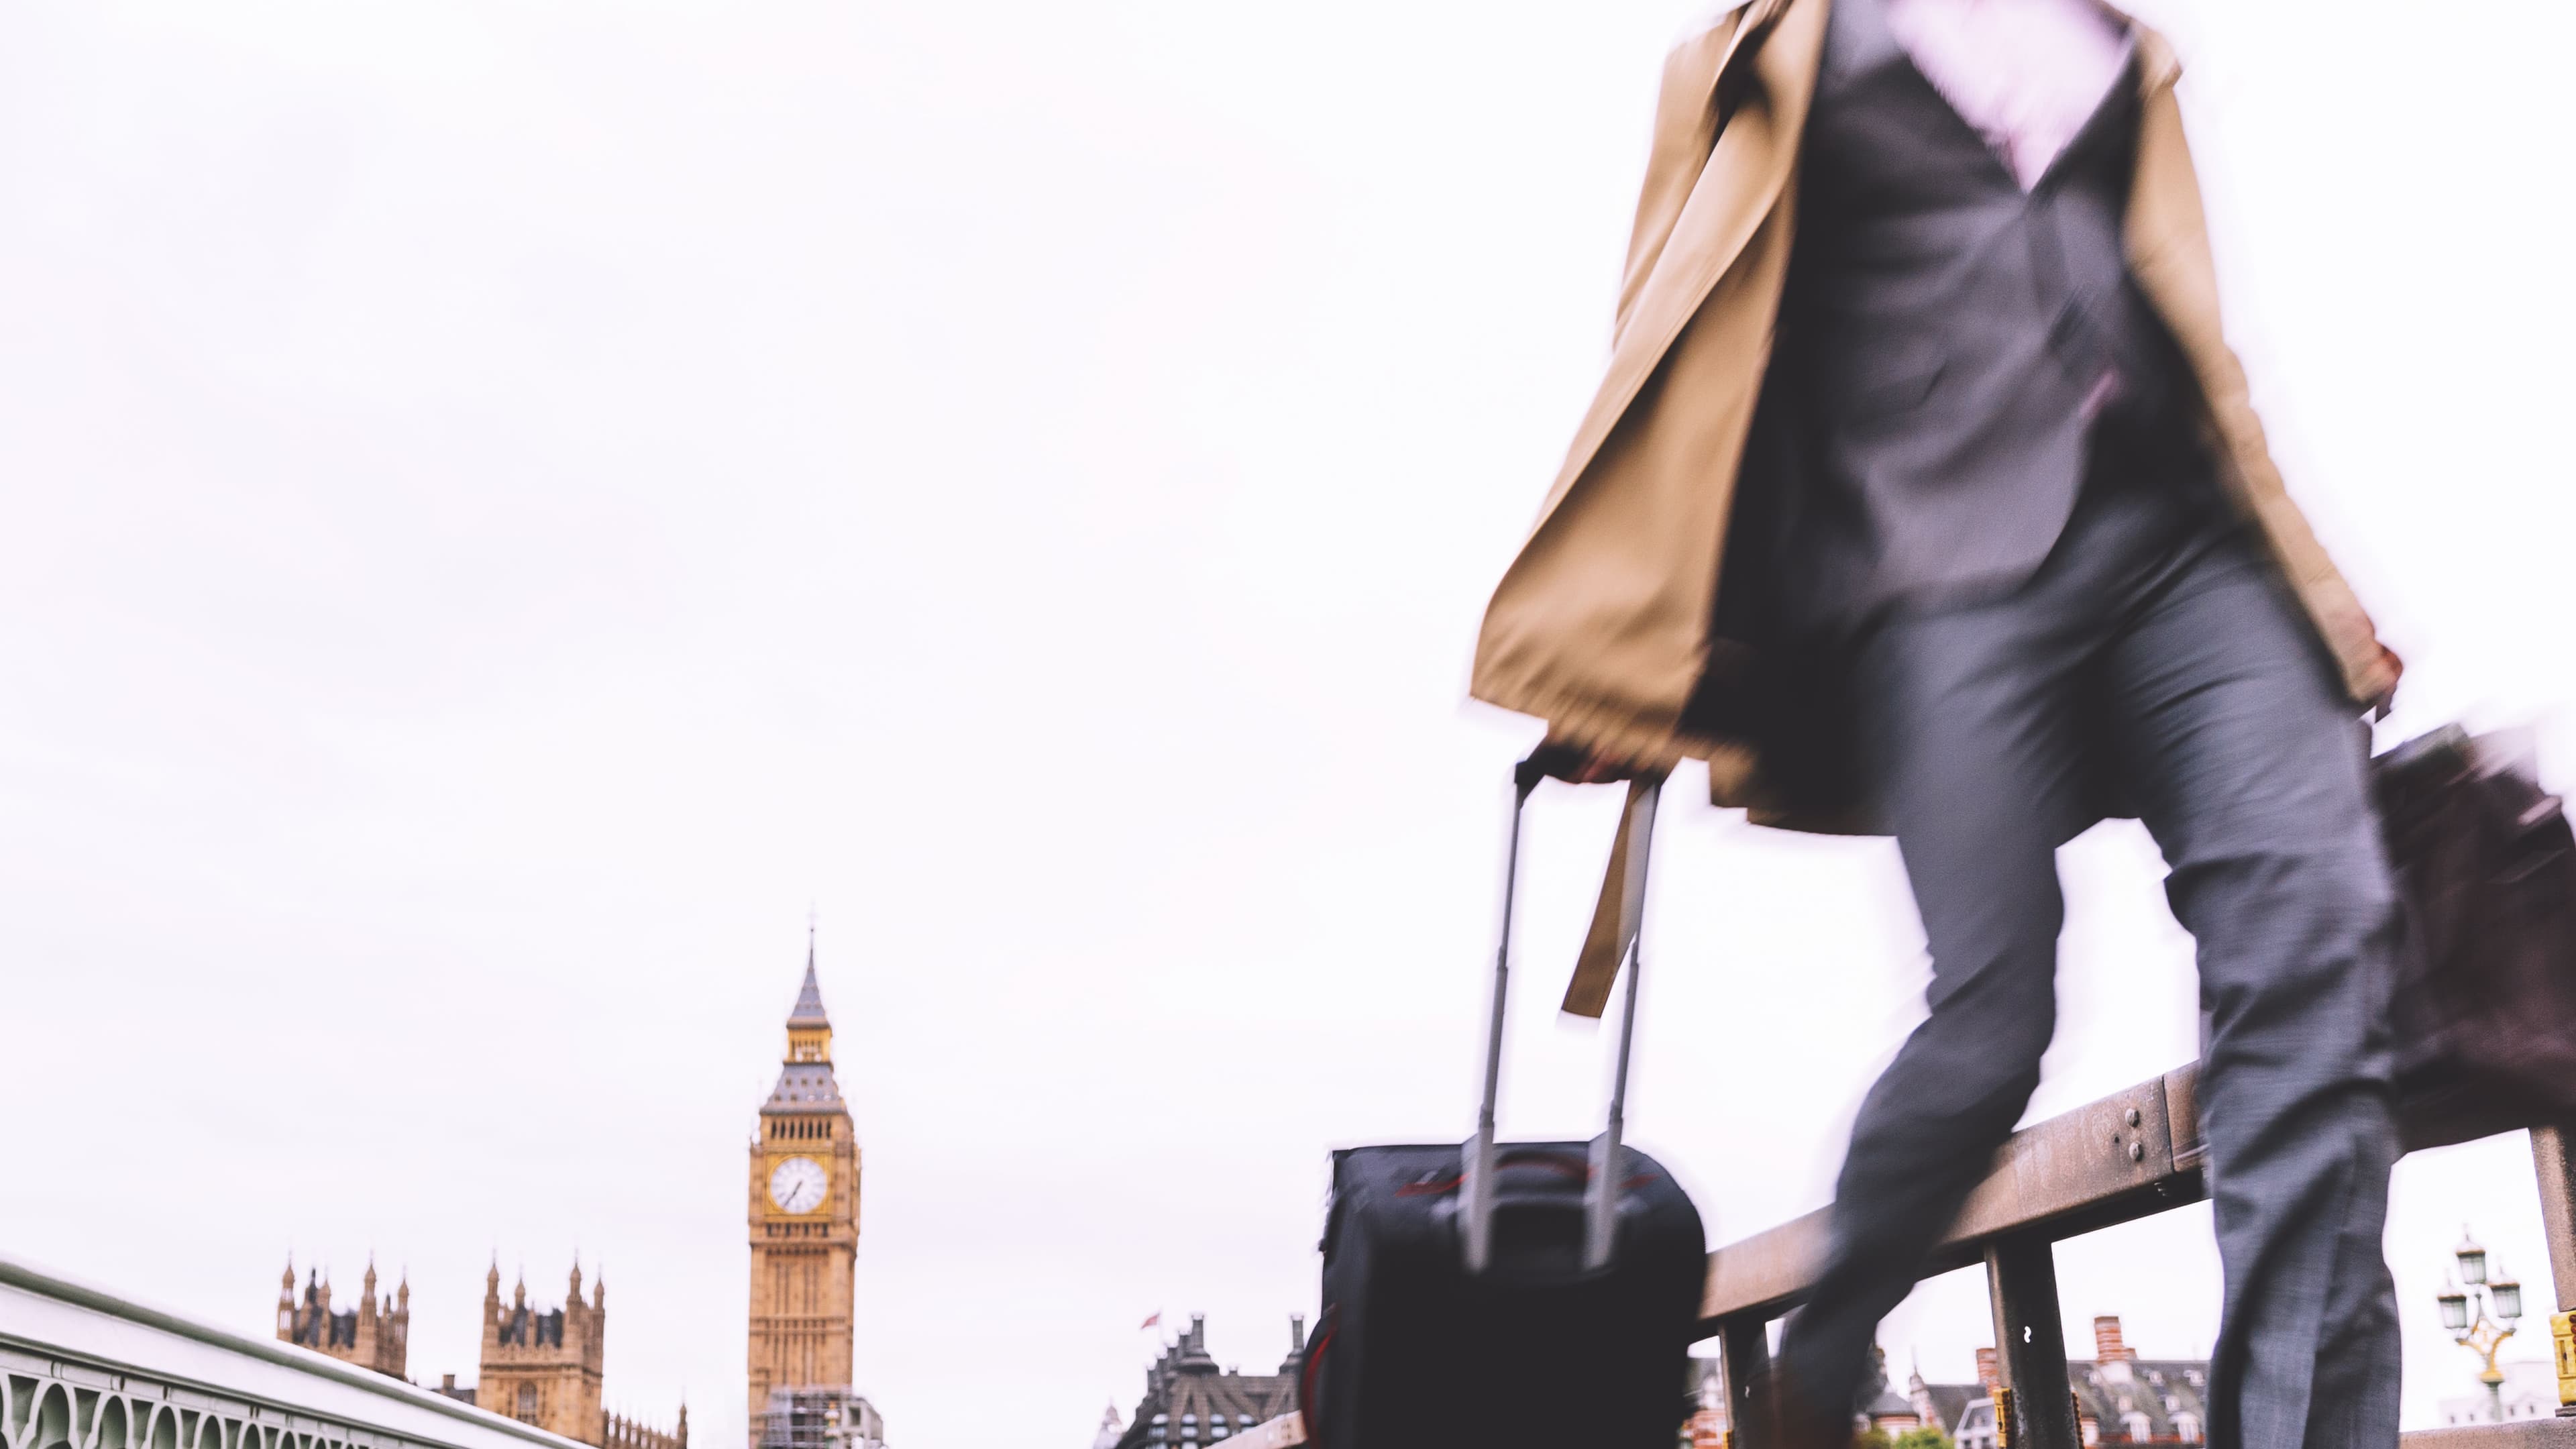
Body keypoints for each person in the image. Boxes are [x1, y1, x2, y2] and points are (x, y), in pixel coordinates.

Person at [1469, 1, 2404, 1446]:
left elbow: (2177, 317)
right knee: (1993, 1016)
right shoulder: (1761, 56)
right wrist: (1633, 665)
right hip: (1935, 578)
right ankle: (1823, 1358)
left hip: (2186, 549)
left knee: (2316, 952)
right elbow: (1675, 349)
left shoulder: (2105, 33)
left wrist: (2320, 595)